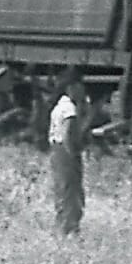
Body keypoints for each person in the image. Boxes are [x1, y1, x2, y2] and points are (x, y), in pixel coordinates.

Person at [47, 69, 87, 235]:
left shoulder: (58, 106)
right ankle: (70, 231)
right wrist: (74, 154)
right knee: (72, 193)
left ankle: (60, 228)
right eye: (80, 86)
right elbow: (68, 133)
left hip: (56, 152)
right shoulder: (69, 108)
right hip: (66, 153)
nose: (82, 90)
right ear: (71, 87)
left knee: (61, 191)